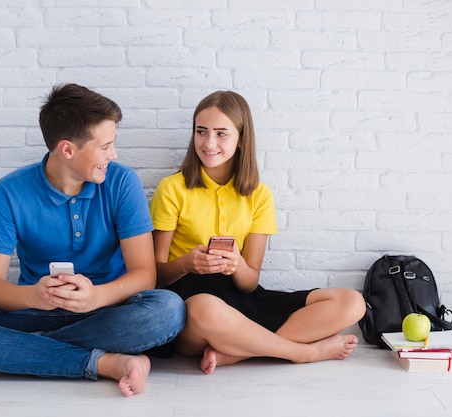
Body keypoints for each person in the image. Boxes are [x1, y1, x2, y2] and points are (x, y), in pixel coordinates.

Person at [0, 83, 186, 397]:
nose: (113, 154)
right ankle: (104, 363)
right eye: (105, 146)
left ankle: (11, 355)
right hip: (36, 309)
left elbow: (145, 275)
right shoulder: (9, 192)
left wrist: (95, 297)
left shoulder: (122, 183)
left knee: (168, 309)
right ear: (67, 149)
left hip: (108, 309)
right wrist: (34, 297)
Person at [149, 90, 366, 374]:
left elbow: (250, 284)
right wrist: (187, 263)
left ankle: (238, 353)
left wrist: (238, 266)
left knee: (352, 302)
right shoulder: (172, 188)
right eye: (201, 132)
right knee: (206, 308)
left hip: (239, 300)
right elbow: (153, 275)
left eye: (221, 133)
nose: (209, 143)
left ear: (241, 139)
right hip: (189, 307)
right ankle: (301, 353)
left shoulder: (259, 195)